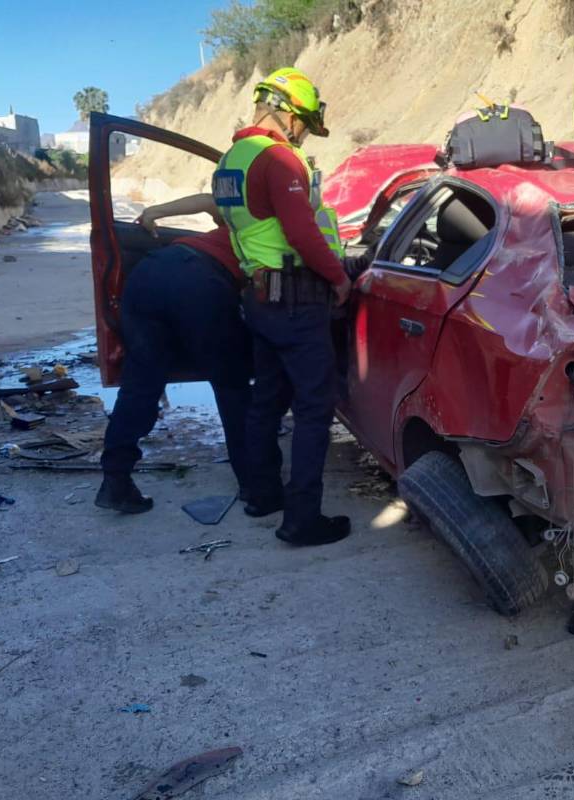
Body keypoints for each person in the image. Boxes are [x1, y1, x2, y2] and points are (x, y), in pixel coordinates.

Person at [212, 67, 352, 547]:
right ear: (287, 112)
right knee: (316, 406)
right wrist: (339, 278)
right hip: (294, 298)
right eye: (305, 123)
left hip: (258, 297)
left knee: (266, 400)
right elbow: (302, 232)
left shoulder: (231, 159)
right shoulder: (279, 159)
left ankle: (261, 494)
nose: (305, 133)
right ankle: (302, 519)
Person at [96, 196, 252, 513]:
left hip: (148, 274)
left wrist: (155, 211)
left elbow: (208, 201)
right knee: (232, 384)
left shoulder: (241, 211)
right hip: (199, 282)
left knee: (140, 385)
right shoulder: (272, 222)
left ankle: (116, 481)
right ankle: (255, 484)